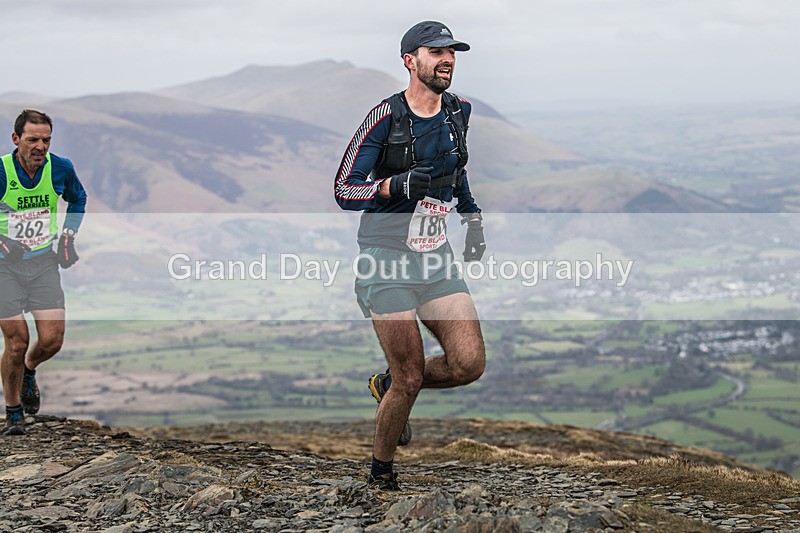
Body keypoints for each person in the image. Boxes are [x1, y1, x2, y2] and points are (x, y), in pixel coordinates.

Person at [334, 21, 486, 490]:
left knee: (468, 364)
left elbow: (454, 170)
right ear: (409, 61)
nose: (447, 59)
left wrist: (473, 219)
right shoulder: (384, 118)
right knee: (412, 377)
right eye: (435, 51)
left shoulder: (457, 112)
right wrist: (390, 185)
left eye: (452, 52)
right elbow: (343, 189)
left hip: (434, 254)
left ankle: (386, 383)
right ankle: (381, 473)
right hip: (385, 258)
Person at [0, 109, 87, 436]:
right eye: (32, 139)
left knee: (51, 340)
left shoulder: (60, 168)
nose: (40, 146)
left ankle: (29, 371)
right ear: (16, 139)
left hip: (42, 263)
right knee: (17, 340)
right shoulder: (1, 171)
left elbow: (77, 198)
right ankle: (13, 412)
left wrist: (68, 235)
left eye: (46, 140)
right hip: (3, 266)